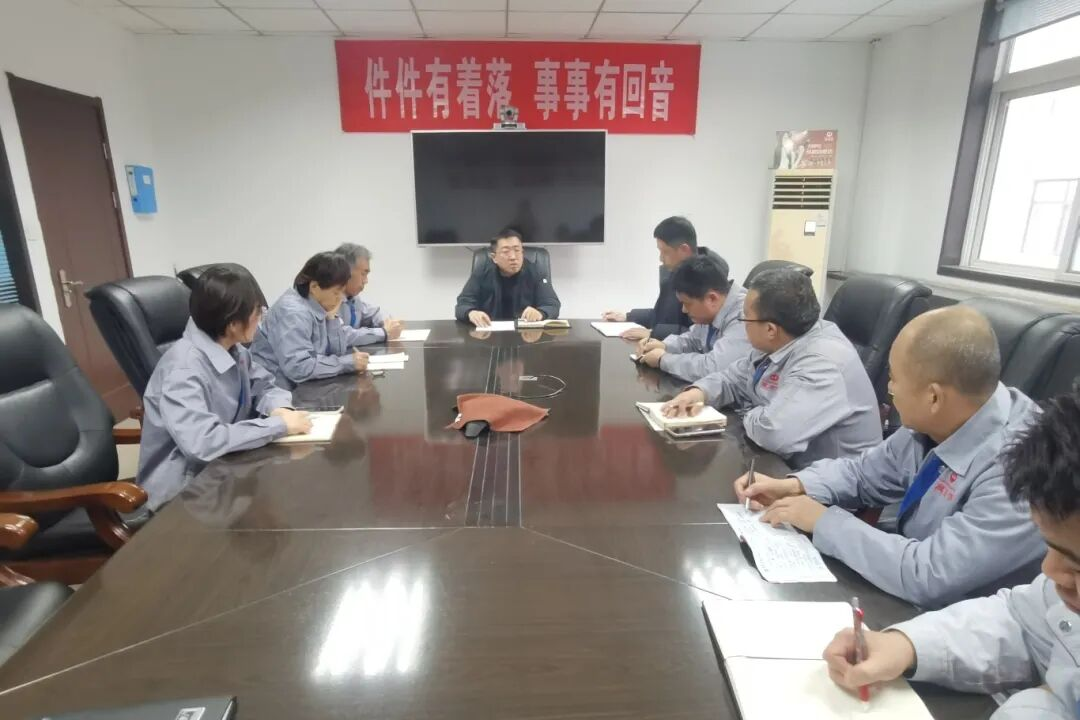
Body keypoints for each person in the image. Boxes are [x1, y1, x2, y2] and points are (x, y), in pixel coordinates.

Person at [736, 306, 1044, 608]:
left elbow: (930, 575)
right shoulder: (943, 418)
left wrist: (823, 521)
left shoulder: (1022, 467)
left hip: (967, 618)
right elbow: (864, 473)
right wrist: (796, 485)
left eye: (894, 379)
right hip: (911, 582)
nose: (888, 388)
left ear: (933, 397)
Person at [822, 390, 1080, 718]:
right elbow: (1020, 622)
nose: (1049, 570)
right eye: (1052, 548)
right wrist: (907, 645)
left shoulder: (996, 458)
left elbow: (929, 572)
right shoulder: (920, 434)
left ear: (933, 394)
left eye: (1076, 565)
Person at [663, 268, 880, 468]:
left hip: (831, 485)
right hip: (788, 466)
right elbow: (733, 377)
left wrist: (747, 412)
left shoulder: (823, 363)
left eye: (745, 318)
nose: (742, 324)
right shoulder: (784, 337)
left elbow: (774, 434)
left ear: (770, 329)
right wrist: (699, 392)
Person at [137, 266, 313, 511]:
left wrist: (279, 408)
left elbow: (264, 385)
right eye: (257, 312)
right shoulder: (183, 370)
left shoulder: (233, 349)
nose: (261, 318)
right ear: (232, 323)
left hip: (226, 471)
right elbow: (203, 443)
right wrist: (278, 426)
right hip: (185, 492)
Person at [252, 252, 369, 388]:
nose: (340, 298)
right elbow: (299, 368)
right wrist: (346, 363)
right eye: (336, 292)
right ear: (314, 287)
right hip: (278, 390)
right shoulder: (293, 313)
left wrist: (332, 319)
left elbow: (336, 353)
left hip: (302, 385)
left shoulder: (319, 305)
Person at [602, 216, 726, 342]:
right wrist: (628, 316)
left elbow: (699, 334)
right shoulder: (676, 272)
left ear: (684, 250)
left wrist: (653, 333)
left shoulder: (706, 280)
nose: (661, 258)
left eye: (665, 252)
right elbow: (661, 315)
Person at [635, 253, 751, 382]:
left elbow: (715, 367)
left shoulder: (745, 315)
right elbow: (694, 340)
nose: (684, 310)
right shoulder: (714, 309)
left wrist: (664, 360)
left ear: (712, 298)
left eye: (687, 304)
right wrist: (665, 346)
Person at [454, 228, 560, 327]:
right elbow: (463, 304)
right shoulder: (482, 272)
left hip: (526, 333)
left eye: (517, 250)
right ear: (494, 257)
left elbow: (551, 304)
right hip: (489, 333)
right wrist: (471, 313)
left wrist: (540, 313)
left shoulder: (536, 272)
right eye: (506, 252)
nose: (513, 257)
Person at [333, 243, 403, 345]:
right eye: (363, 274)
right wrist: (384, 332)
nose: (366, 281)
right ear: (346, 272)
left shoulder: (353, 298)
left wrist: (389, 323)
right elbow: (343, 335)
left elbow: (373, 313)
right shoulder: (328, 300)